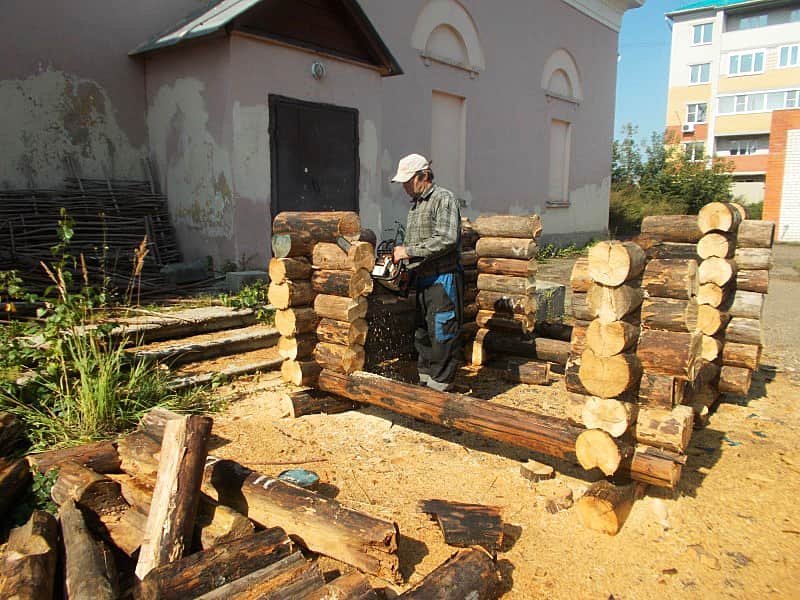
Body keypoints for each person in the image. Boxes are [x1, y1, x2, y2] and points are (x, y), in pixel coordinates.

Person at [390, 153, 463, 391]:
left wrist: (409, 251)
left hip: (443, 278)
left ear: (424, 176)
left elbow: (447, 238)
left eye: (408, 181)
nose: (404, 187)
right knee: (423, 334)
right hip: (422, 280)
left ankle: (441, 387)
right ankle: (425, 381)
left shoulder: (443, 198)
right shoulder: (417, 205)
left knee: (442, 333)